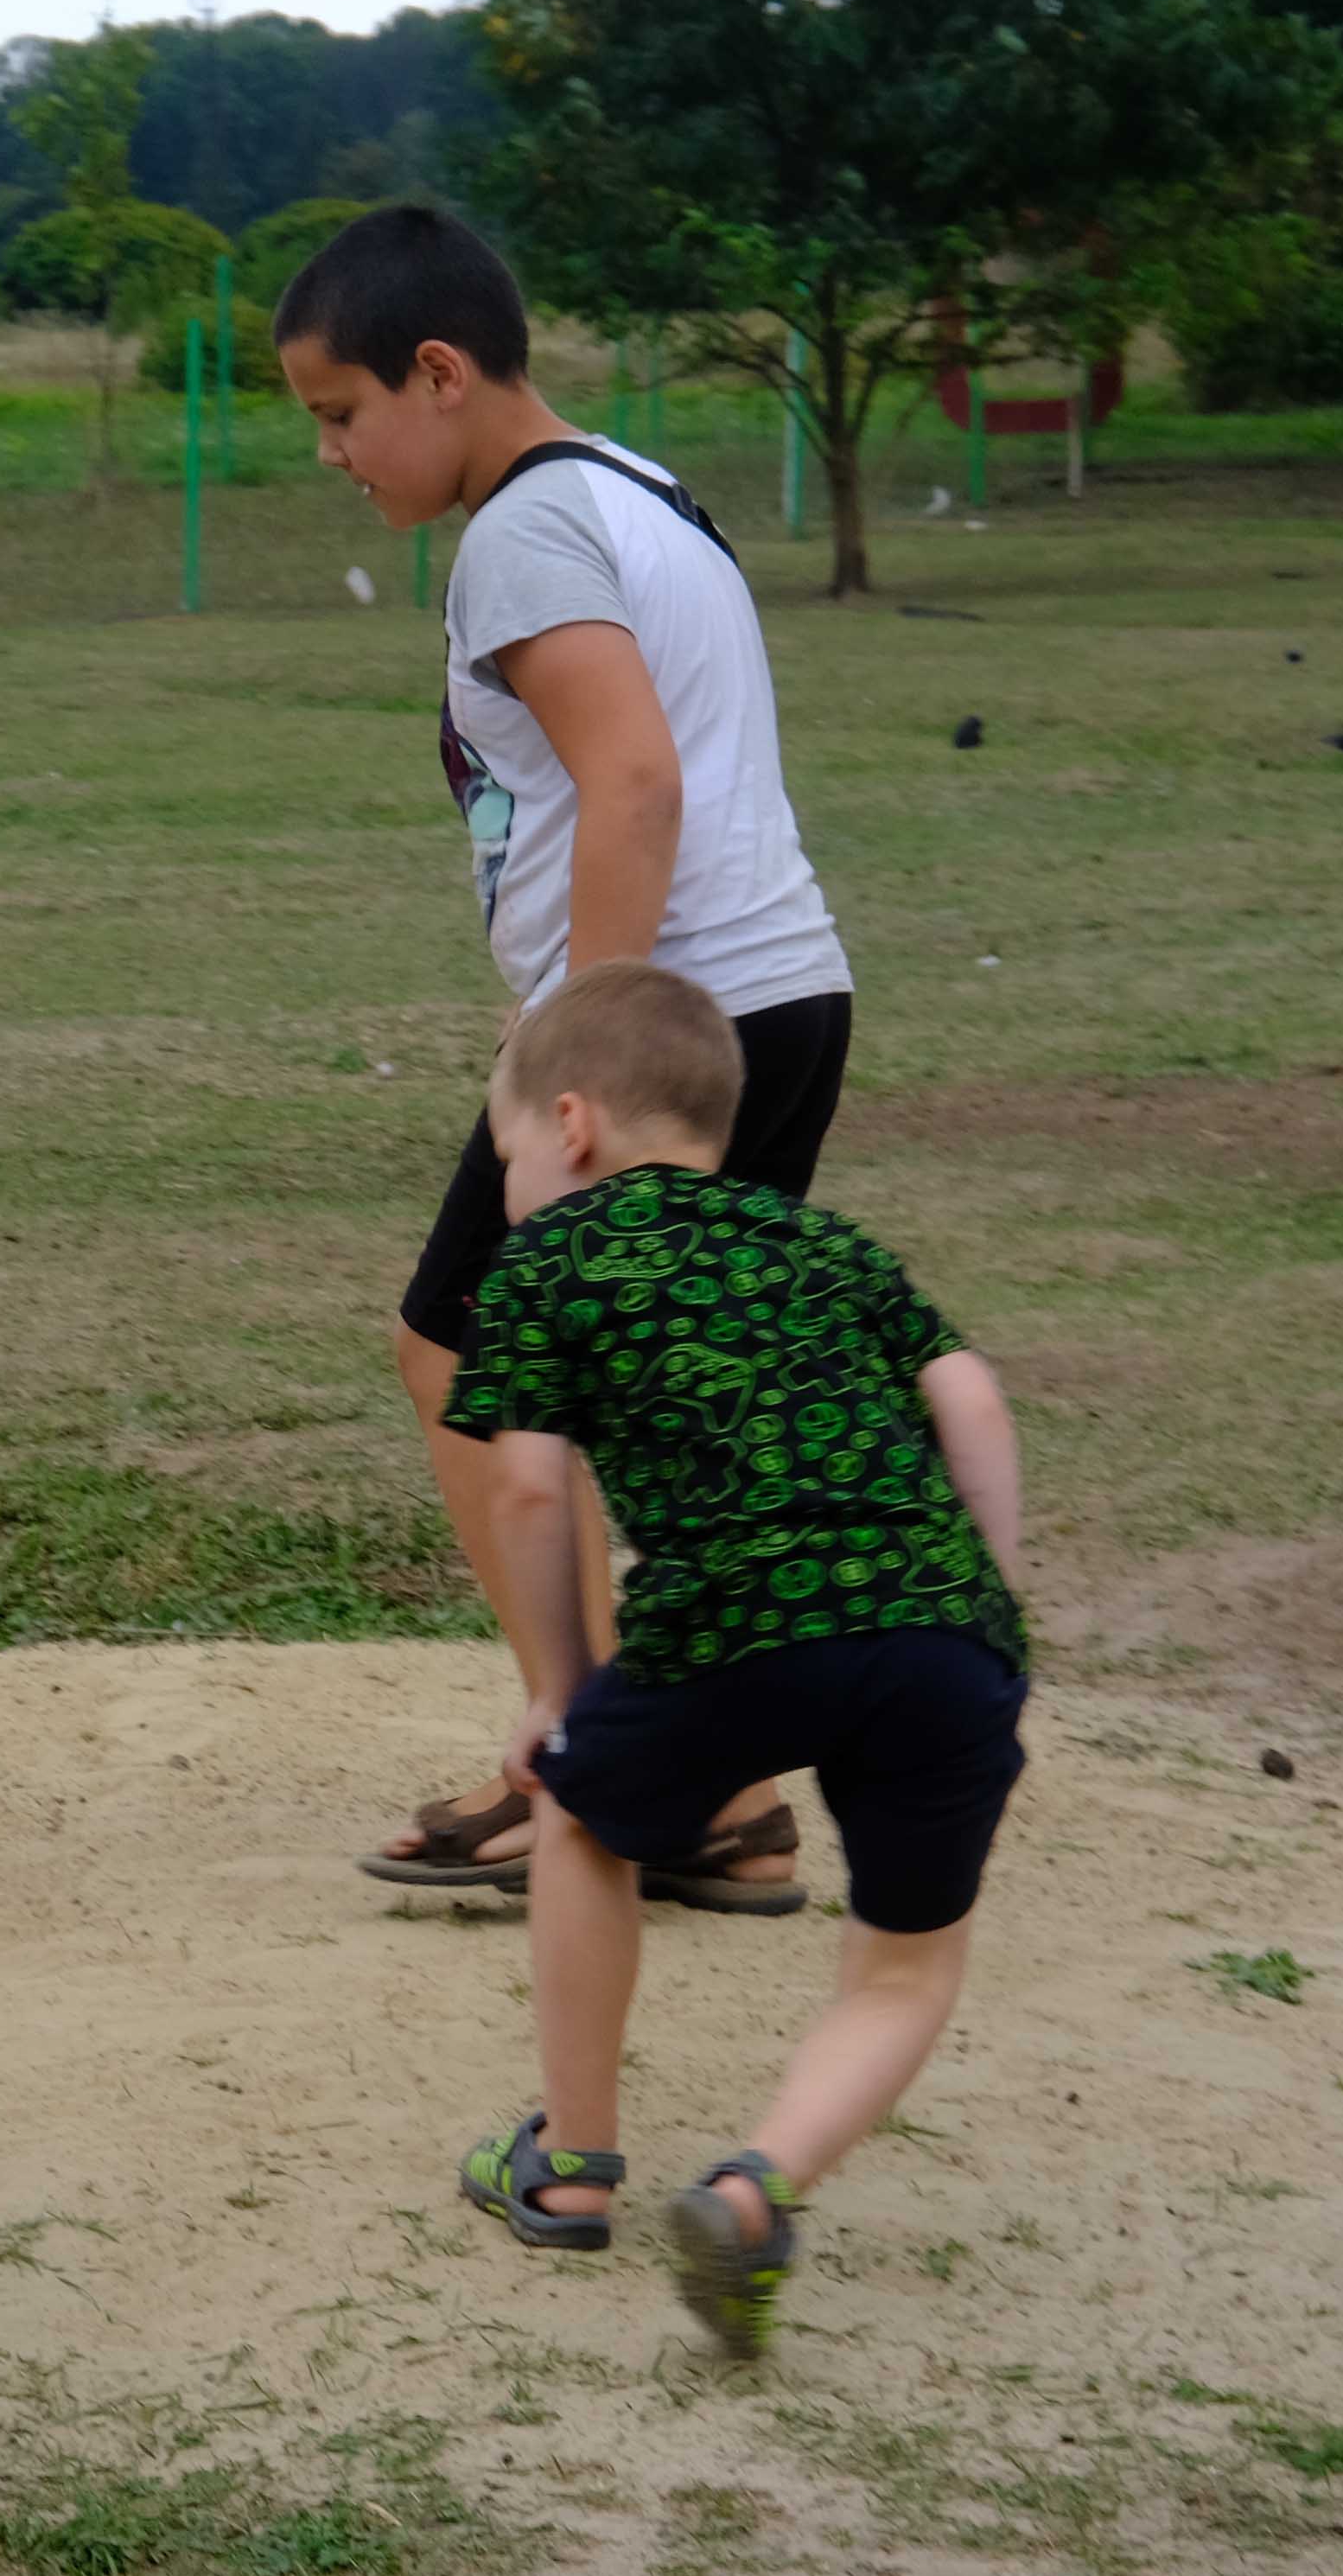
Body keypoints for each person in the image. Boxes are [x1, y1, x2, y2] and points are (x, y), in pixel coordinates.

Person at [272, 202, 857, 1914]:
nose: (329, 452)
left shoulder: (518, 536)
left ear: (437, 373)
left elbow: (637, 781)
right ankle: (719, 1793)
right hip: (777, 997)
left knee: (459, 1348)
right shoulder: (633, 486)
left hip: (670, 1026)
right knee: (655, 1402)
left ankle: (594, 1752)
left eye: (339, 410)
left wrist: (584, 1052)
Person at [426, 964, 1028, 2362]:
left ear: (566, 1125)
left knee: (581, 1818)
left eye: (505, 1146)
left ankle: (571, 2166)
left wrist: (563, 1687)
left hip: (734, 1621)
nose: (507, 1174)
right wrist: (985, 1599)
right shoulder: (818, 1246)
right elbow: (971, 1394)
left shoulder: (550, 1260)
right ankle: (757, 2188)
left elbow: (523, 1490)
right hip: (940, 1631)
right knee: (898, 1968)